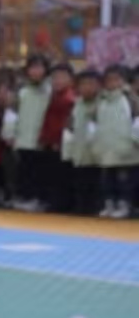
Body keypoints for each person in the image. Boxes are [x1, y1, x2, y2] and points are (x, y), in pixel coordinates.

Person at [95, 65, 139, 219]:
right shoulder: (102, 100)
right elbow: (97, 123)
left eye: (116, 79)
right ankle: (109, 203)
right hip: (107, 148)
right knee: (108, 180)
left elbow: (136, 119)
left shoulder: (130, 98)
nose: (112, 83)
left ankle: (124, 204)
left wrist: (134, 140)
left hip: (126, 150)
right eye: (109, 80)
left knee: (125, 182)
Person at [13, 55, 52, 212]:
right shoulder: (22, 92)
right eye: (32, 68)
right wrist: (10, 133)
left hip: (42, 138)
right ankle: (24, 197)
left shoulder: (50, 91)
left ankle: (38, 198)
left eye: (39, 67)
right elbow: (13, 113)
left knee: (40, 171)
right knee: (24, 169)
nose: (36, 71)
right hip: (23, 137)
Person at [37, 63, 76, 213]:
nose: (57, 81)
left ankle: (61, 205)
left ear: (71, 80)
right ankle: (53, 203)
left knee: (62, 176)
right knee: (50, 174)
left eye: (62, 77)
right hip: (49, 141)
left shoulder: (70, 99)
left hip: (63, 143)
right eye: (54, 77)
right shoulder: (50, 97)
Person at [65, 70, 102, 215]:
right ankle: (81, 208)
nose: (87, 87)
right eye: (83, 84)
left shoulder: (103, 103)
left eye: (91, 84)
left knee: (96, 183)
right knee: (80, 183)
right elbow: (71, 127)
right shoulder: (77, 104)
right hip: (79, 152)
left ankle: (95, 209)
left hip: (97, 154)